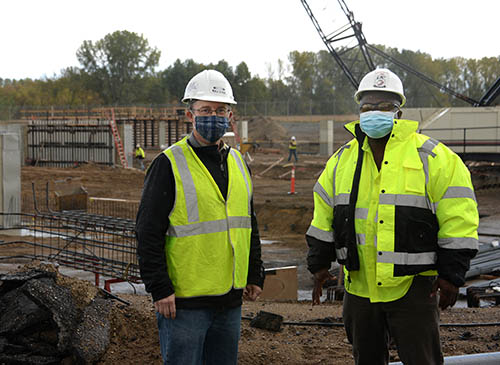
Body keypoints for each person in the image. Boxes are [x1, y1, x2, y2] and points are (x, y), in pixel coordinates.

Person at [306, 68, 478, 365]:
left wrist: (452, 275)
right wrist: (320, 264)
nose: (375, 112)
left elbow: (459, 218)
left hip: (415, 290)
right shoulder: (341, 161)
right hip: (359, 288)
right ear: (359, 111)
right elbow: (323, 216)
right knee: (367, 359)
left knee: (421, 359)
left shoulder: (434, 158)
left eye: (384, 106)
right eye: (367, 106)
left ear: (399, 111)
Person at [136, 69, 265, 365]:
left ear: (230, 115)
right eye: (205, 110)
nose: (214, 116)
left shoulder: (237, 162)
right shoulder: (169, 164)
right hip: (184, 303)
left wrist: (254, 273)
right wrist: (159, 288)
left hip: (230, 300)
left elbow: (249, 222)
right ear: (190, 114)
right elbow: (147, 231)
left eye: (220, 110)